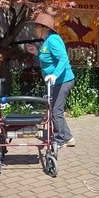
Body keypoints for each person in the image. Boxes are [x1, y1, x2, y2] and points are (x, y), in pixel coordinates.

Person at [26, 12, 75, 148]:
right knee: (54, 109)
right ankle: (68, 138)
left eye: (36, 27)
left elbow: (63, 58)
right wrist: (36, 52)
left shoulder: (53, 39)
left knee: (56, 111)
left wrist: (54, 75)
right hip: (57, 81)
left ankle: (60, 141)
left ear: (44, 28)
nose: (34, 30)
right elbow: (48, 58)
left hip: (62, 81)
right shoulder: (47, 41)